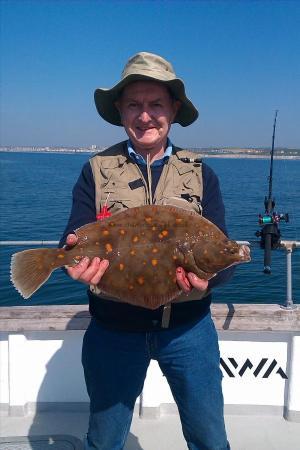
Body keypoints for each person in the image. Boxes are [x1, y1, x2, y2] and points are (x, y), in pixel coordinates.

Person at [60, 52, 233, 450]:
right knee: (103, 441)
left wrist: (212, 277)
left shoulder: (202, 172)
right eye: (135, 105)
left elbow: (220, 249)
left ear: (173, 109)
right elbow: (71, 236)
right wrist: (70, 258)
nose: (145, 116)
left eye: (156, 104)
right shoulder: (95, 170)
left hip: (190, 330)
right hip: (113, 330)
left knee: (210, 439)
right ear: (120, 110)